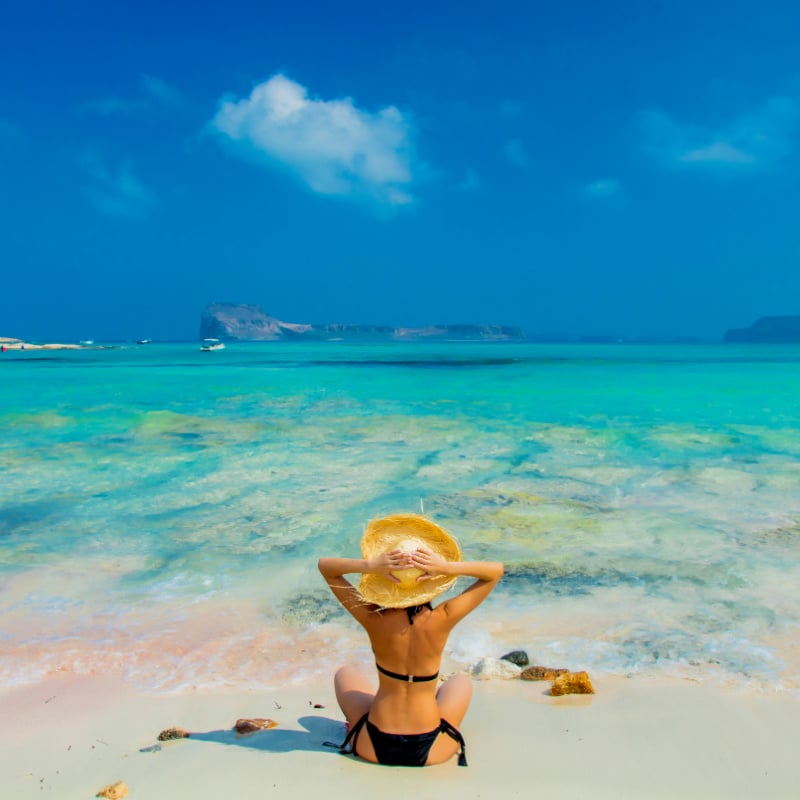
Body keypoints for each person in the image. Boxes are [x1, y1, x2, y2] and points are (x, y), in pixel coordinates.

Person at [318, 514, 503, 767]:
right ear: (430, 581)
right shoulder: (443, 617)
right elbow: (494, 572)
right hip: (432, 750)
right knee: (460, 681)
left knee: (345, 674)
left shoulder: (372, 618)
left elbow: (326, 568)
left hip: (372, 746)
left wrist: (371, 566)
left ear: (384, 580)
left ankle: (367, 717)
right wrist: (447, 568)